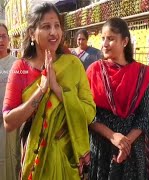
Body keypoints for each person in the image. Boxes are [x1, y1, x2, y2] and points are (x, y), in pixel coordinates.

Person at [2, 2, 96, 180]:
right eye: (46, 26)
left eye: (57, 26)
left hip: (70, 157)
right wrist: (42, 89)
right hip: (37, 158)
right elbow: (9, 122)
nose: (54, 32)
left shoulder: (73, 64)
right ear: (32, 32)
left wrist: (58, 89)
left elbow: (90, 113)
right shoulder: (20, 68)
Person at [87, 17, 149, 180]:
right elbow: (88, 114)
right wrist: (113, 136)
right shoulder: (94, 71)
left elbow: (145, 115)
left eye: (111, 39)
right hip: (102, 148)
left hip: (133, 151)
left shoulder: (142, 75)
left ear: (125, 41)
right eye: (103, 38)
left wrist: (125, 143)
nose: (104, 44)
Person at [0, 23, 19, 180]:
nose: (0, 40)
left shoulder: (17, 64)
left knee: (11, 160)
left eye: (3, 36)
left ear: (8, 39)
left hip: (12, 124)